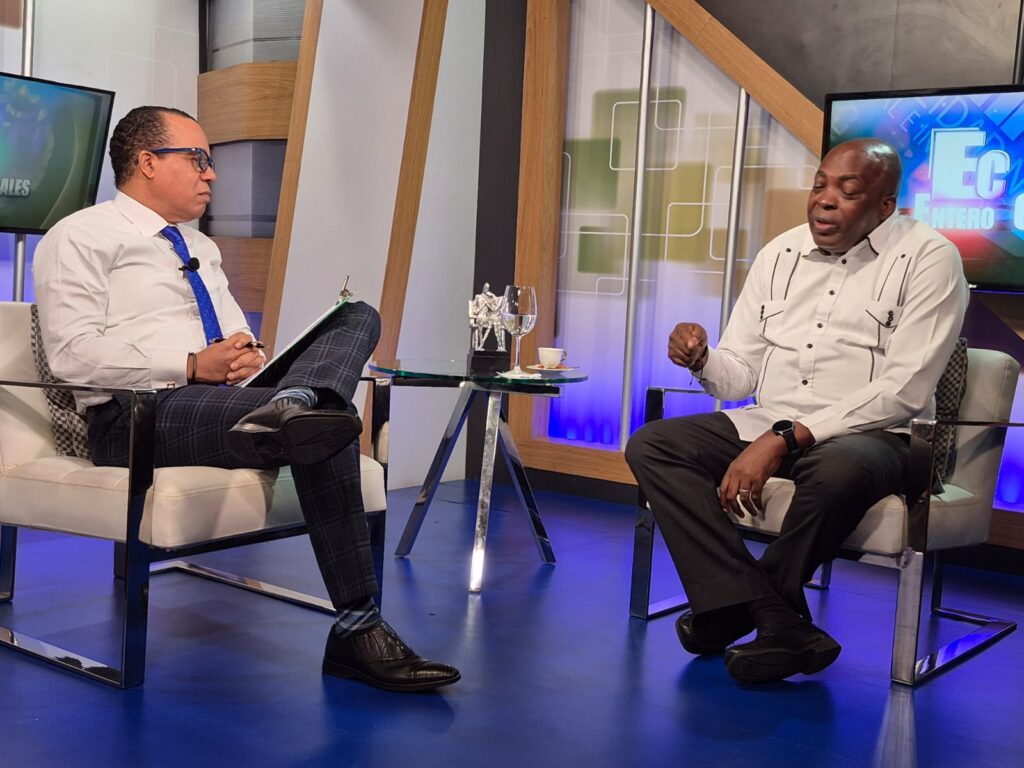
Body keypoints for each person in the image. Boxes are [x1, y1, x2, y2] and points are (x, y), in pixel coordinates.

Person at [33, 105, 460, 693]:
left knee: (356, 314)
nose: (211, 174)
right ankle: (357, 629)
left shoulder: (199, 247)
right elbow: (71, 354)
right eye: (198, 159)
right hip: (137, 415)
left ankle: (299, 401)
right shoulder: (80, 235)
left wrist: (246, 353)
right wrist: (189, 364)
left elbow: (237, 334)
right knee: (326, 420)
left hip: (230, 402)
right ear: (147, 162)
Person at [625, 138, 968, 684]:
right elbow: (742, 372)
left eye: (847, 191)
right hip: (772, 420)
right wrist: (703, 358)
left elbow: (904, 388)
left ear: (885, 207)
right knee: (653, 444)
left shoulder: (929, 258)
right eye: (819, 185)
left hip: (880, 435)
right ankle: (771, 616)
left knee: (839, 468)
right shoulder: (779, 254)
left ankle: (731, 609)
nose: (824, 200)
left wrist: (785, 437)